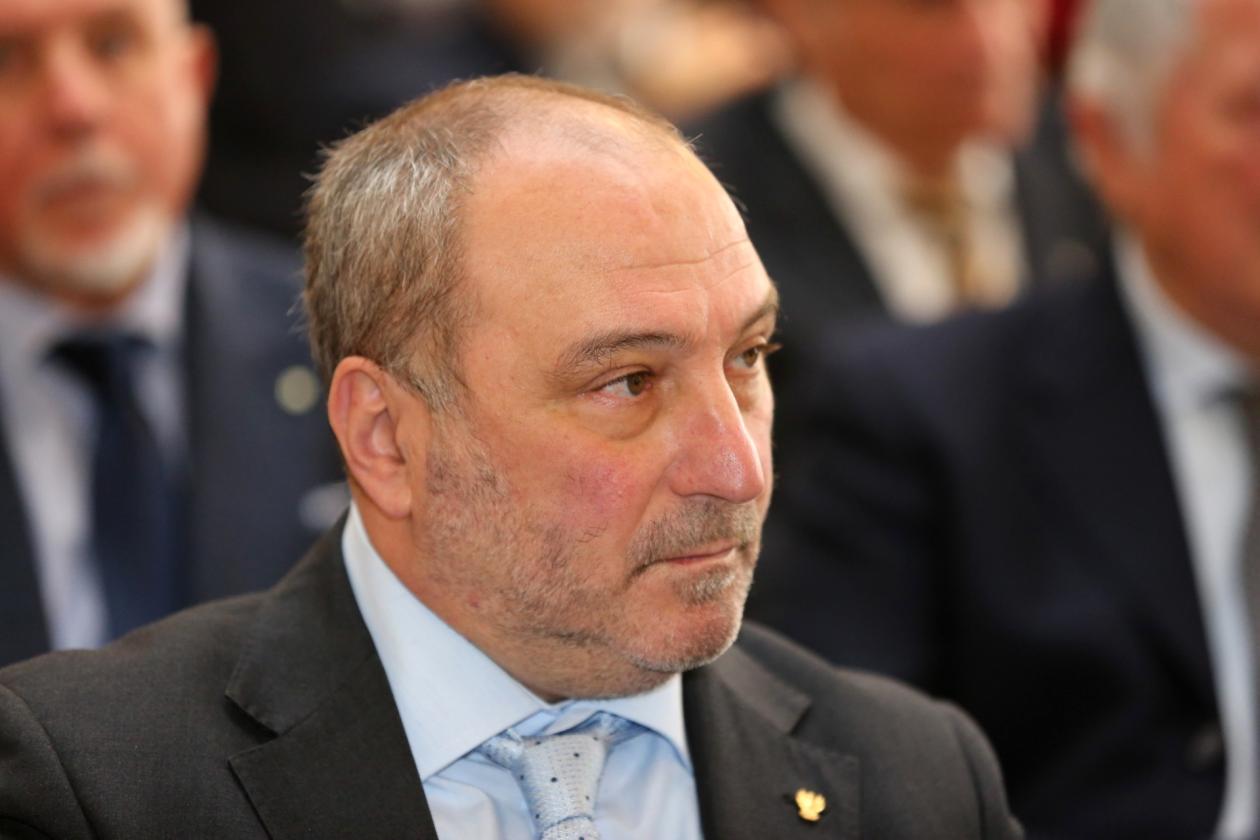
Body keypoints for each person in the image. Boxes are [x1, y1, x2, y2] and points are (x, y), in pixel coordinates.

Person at [0, 75, 1022, 839]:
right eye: (629, 382)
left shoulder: (916, 780)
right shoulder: (94, 787)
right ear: (385, 436)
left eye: (747, 358)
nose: (738, 470)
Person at [749, 0, 1260, 836]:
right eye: (1250, 110)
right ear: (1109, 143)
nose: (985, 37)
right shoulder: (920, 413)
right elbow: (825, 773)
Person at [0, 0, 343, 666]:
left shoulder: (349, 346)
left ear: (195, 74)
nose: (73, 107)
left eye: (112, 44)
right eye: (5, 60)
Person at [685, 0, 1107, 427]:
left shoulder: (1097, 157)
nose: (993, 42)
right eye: (932, 9)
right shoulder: (703, 205)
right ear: (805, 16)